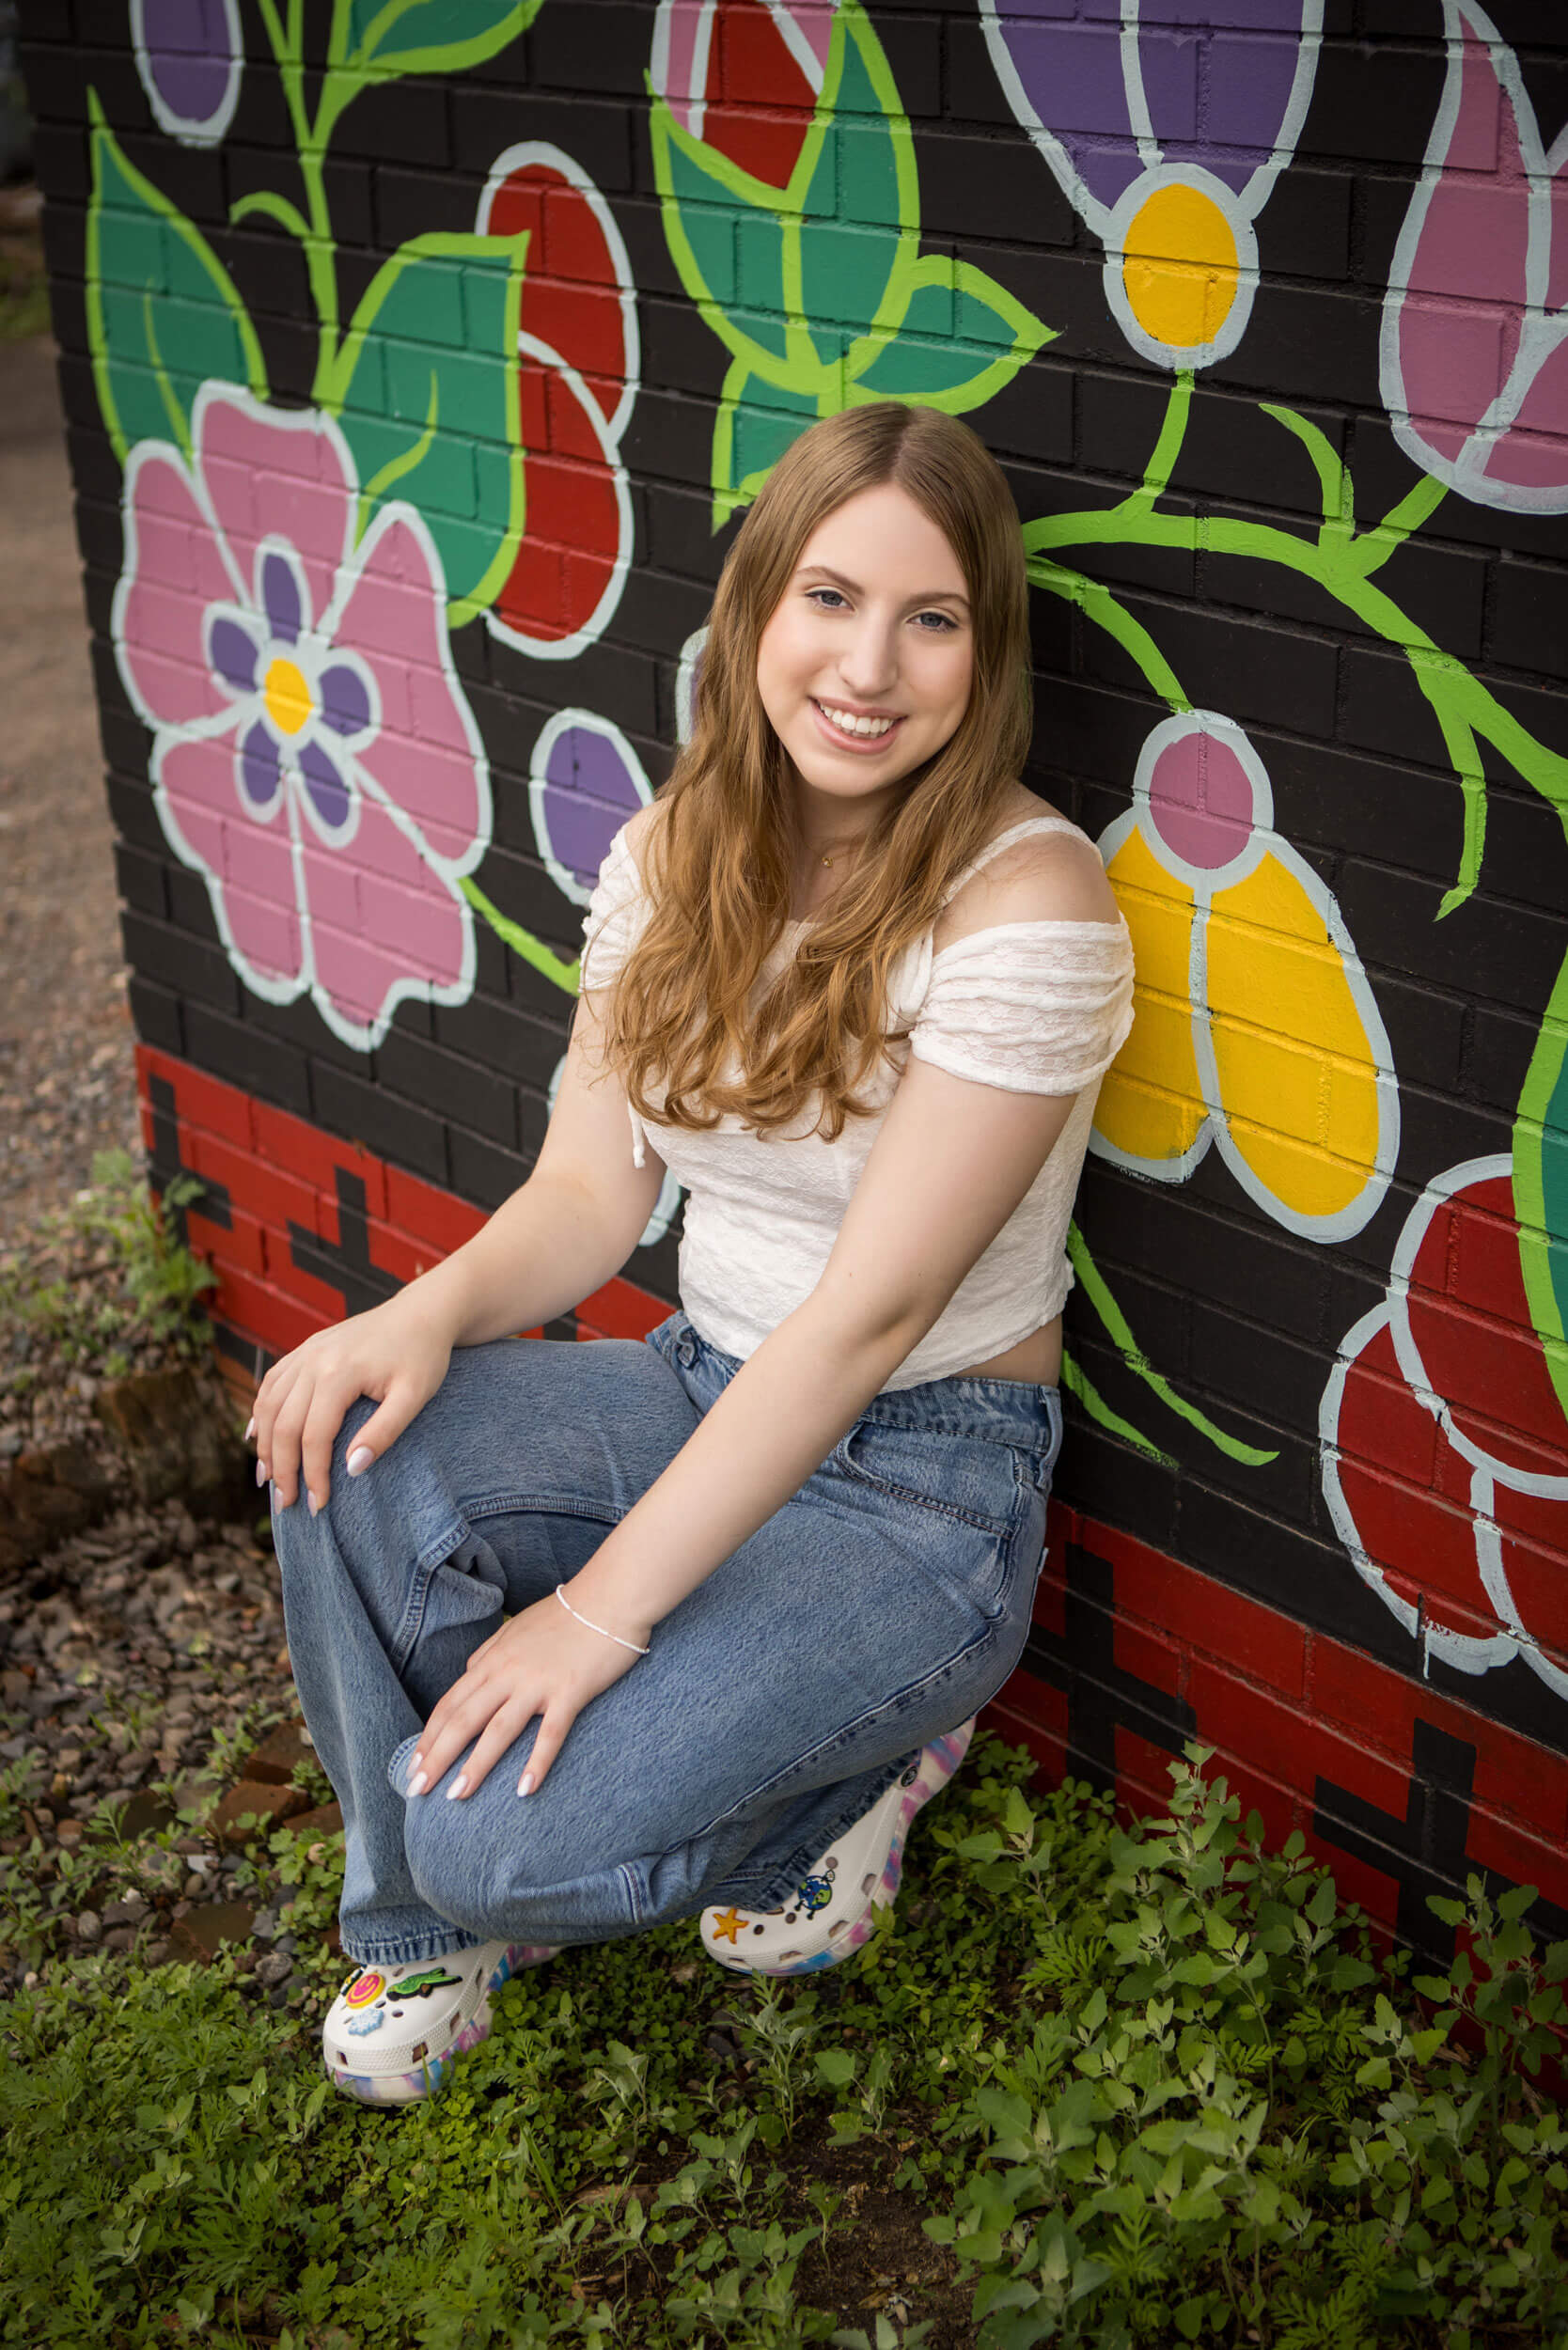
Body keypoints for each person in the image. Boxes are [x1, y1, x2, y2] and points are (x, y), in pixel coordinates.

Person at [252, 401, 1136, 2107]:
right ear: (750, 615)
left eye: (931, 618)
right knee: (341, 1446)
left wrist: (593, 1619)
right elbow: (590, 1196)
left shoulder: (1031, 907)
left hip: (919, 1486)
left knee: (503, 1843)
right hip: (690, 1387)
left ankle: (860, 1769)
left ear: (985, 652)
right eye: (827, 597)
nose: (870, 664)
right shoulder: (677, 852)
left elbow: (867, 1322)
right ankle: (423, 1925)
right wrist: (414, 1318)